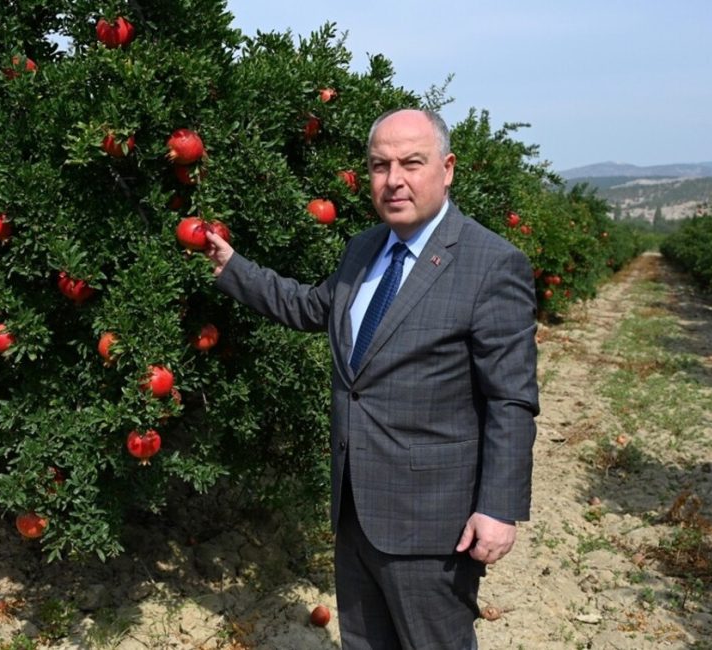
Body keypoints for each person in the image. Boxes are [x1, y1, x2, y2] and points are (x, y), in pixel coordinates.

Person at [203, 108, 539, 649]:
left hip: (433, 520)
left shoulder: (491, 264)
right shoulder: (364, 249)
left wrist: (498, 507)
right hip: (357, 505)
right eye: (380, 166)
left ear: (447, 168)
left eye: (411, 162)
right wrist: (234, 268)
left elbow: (511, 399)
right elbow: (313, 307)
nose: (394, 179)